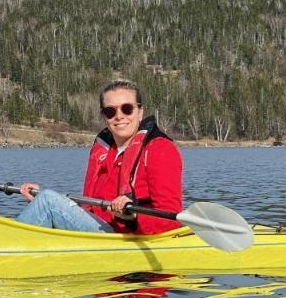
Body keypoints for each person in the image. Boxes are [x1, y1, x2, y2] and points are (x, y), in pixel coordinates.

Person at [16, 80, 183, 233]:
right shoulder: (103, 150)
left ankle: (4, 252)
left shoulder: (161, 150)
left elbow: (170, 217)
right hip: (99, 231)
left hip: (127, 237)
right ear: (104, 116)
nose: (119, 116)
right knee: (45, 198)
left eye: (127, 109)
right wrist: (38, 201)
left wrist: (133, 218)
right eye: (111, 111)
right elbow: (89, 209)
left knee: (48, 201)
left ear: (140, 112)